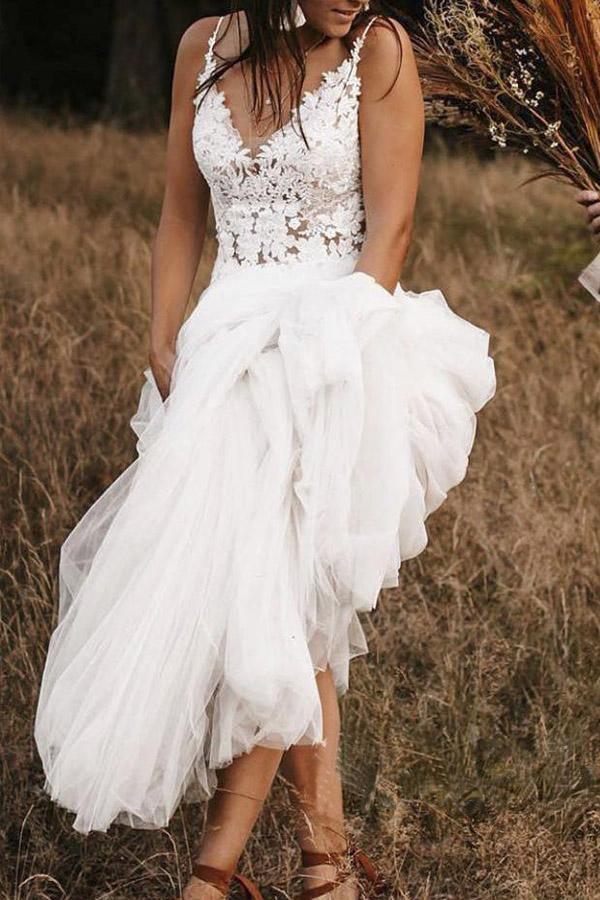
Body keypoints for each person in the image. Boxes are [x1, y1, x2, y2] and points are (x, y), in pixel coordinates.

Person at [34, 2, 496, 897]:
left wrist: (312, 370)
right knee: (281, 608)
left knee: (275, 591)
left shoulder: (380, 51)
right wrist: (163, 337)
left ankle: (214, 876)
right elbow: (180, 213)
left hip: (330, 348)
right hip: (216, 351)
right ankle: (328, 866)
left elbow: (389, 238)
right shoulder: (200, 48)